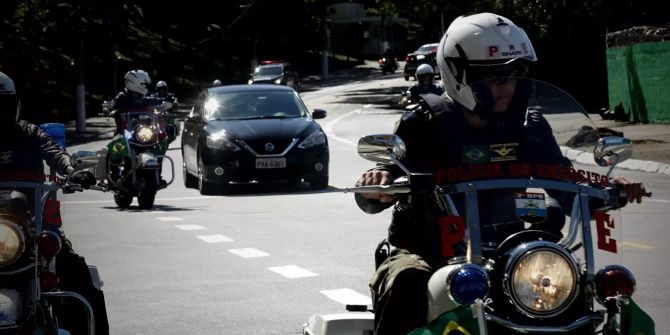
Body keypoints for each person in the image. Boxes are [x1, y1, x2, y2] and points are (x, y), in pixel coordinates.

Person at [354, 13, 647, 335]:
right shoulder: (424, 124)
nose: (505, 85)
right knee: (407, 280)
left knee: (575, 286)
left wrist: (608, 188)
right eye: (491, 76)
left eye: (515, 74)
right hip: (428, 251)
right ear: (458, 75)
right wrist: (377, 181)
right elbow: (385, 181)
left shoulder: (531, 128)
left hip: (508, 250)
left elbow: (567, 185)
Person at [0, 71, 109, 334]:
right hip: (6, 236)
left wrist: (72, 169)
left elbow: (55, 153)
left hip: (32, 232)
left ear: (14, 105)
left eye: (1, 105)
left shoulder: (30, 134)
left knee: (81, 278)